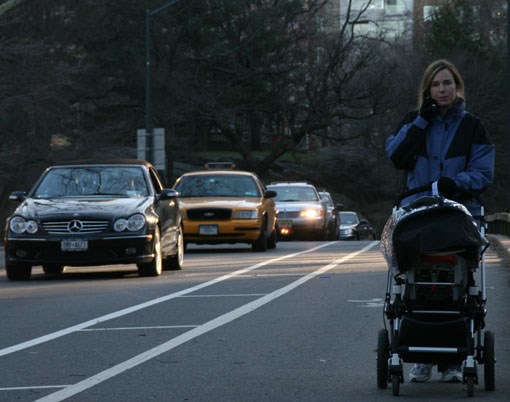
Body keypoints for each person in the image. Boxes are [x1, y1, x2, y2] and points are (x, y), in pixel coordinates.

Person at [385, 59, 495, 383]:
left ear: (457, 87)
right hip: (418, 211)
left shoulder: (473, 127)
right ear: (427, 90)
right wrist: (421, 121)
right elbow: (396, 156)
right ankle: (419, 356)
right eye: (436, 84)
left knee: (456, 283)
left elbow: (484, 171)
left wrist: (457, 182)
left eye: (448, 83)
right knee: (416, 281)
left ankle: (451, 361)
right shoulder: (414, 123)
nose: (443, 89)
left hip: (457, 213)